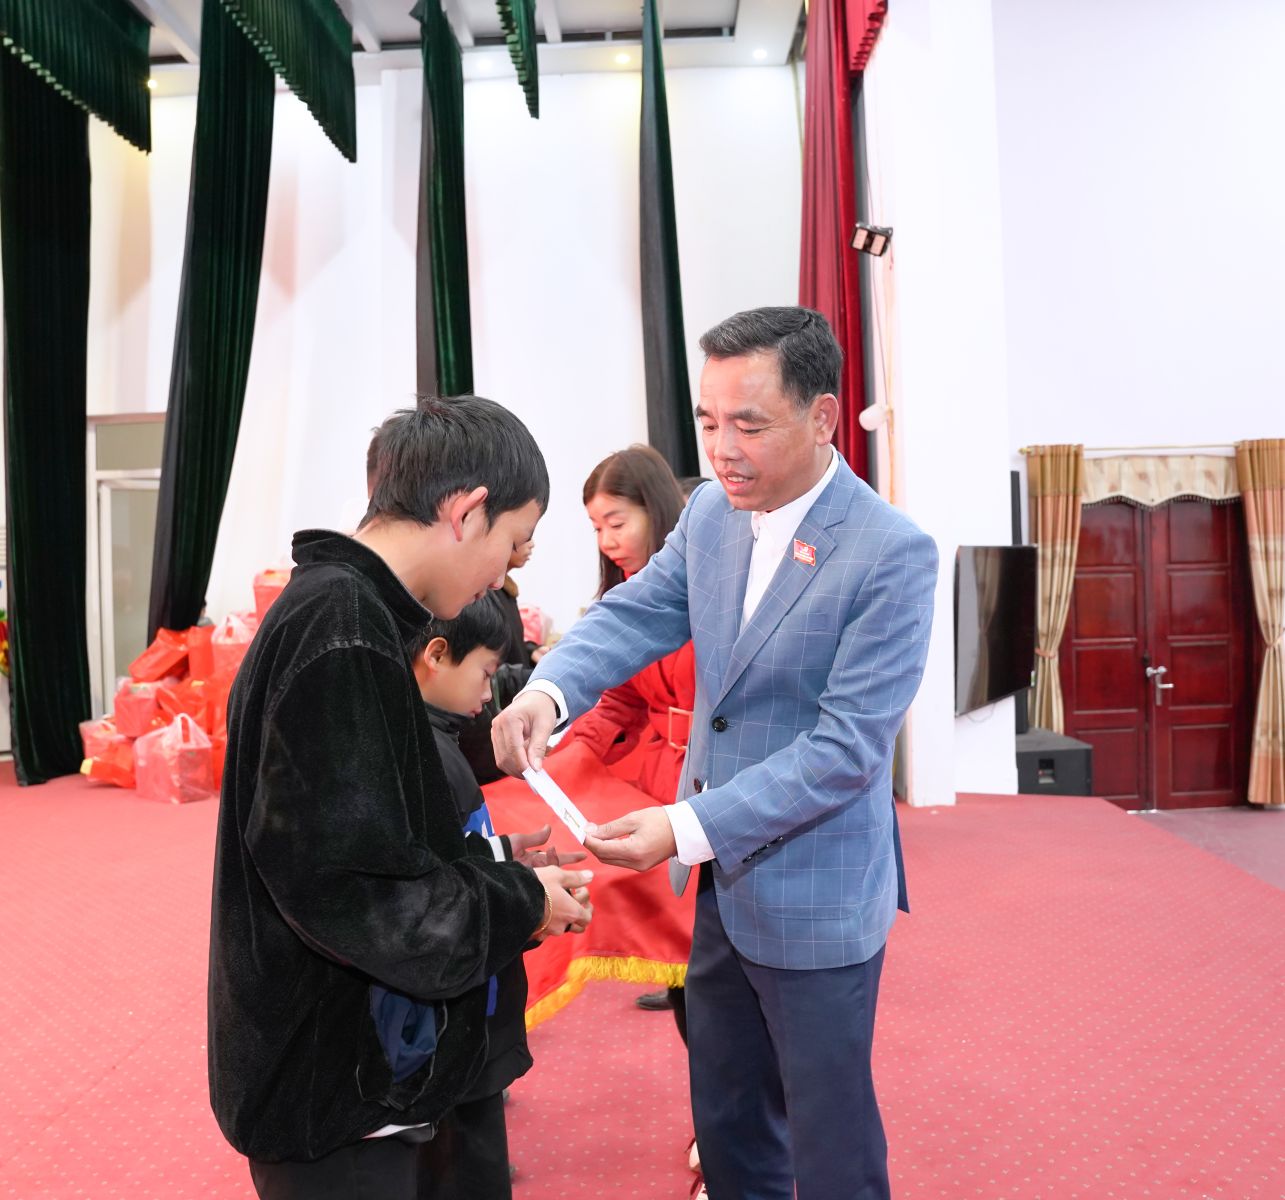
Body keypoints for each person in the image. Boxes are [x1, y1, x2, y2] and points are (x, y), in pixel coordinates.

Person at [493, 308, 938, 1200]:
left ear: (821, 416)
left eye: (749, 424)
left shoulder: (889, 553)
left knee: (829, 1140)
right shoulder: (710, 513)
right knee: (729, 1118)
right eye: (707, 422)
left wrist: (683, 825)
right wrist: (550, 691)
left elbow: (844, 751)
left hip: (813, 889)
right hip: (722, 892)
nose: (723, 450)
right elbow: (635, 612)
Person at [209, 399, 593, 1200]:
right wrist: (519, 901)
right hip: (337, 1082)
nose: (504, 577)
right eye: (511, 542)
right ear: (466, 512)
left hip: (349, 1068)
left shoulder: (347, 613)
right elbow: (356, 894)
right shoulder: (342, 629)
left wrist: (492, 867)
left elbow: (375, 838)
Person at [409, 595, 588, 1200]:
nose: (491, 695)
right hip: (456, 1018)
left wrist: (505, 858)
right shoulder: (426, 755)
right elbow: (437, 895)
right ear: (437, 655)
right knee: (465, 1161)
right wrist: (526, 899)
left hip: (470, 1008)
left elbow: (451, 859)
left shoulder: (435, 742)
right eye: (487, 673)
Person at [552, 445, 694, 1036]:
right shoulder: (625, 598)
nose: (607, 540)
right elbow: (619, 702)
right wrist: (571, 755)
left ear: (655, 511)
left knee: (715, 969)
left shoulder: (709, 586)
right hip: (654, 783)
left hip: (711, 783)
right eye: (596, 528)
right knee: (687, 972)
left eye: (617, 522)